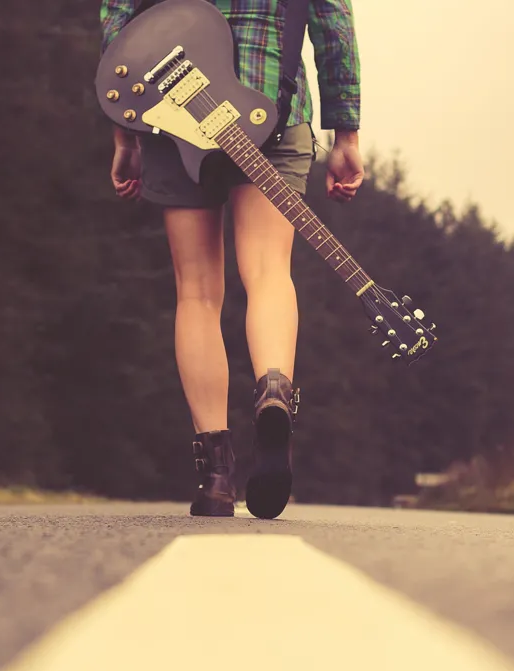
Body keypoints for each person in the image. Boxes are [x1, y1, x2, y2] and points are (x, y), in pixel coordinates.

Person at [99, 0, 364, 520]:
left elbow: (119, 27)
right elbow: (333, 23)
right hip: (271, 106)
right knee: (268, 272)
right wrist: (346, 134)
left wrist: (123, 135)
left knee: (196, 291)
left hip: (171, 117)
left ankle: (215, 474)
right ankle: (272, 390)